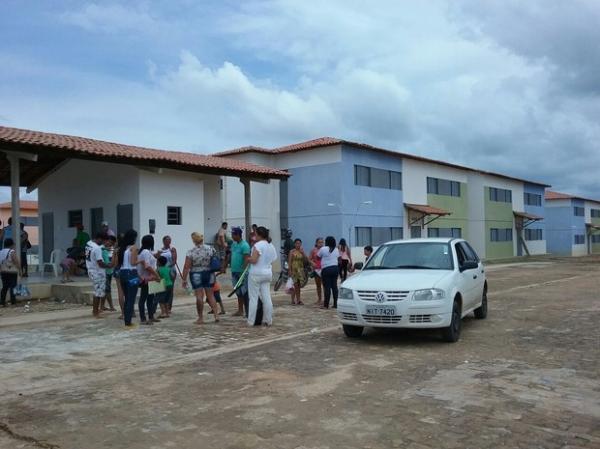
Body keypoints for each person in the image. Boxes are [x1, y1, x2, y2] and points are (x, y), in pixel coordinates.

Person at [181, 232, 220, 324]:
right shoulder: (210, 249)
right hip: (209, 273)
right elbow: (215, 260)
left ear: (194, 240)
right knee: (211, 295)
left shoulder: (191, 251)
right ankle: (216, 315)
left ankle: (201, 318)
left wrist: (184, 279)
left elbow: (186, 266)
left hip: (196, 274)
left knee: (199, 296)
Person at [247, 226, 277, 326]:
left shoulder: (258, 246)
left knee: (253, 298)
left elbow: (254, 260)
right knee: (267, 297)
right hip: (267, 273)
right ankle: (268, 320)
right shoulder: (270, 245)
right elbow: (273, 259)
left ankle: (251, 321)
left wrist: (248, 259)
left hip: (256, 273)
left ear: (258, 235)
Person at [85, 232, 111, 318]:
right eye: (103, 241)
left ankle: (95, 310)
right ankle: (95, 312)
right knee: (98, 293)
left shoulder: (88, 243)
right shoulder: (97, 248)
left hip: (91, 269)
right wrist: (109, 265)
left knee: (97, 291)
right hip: (98, 272)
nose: (103, 243)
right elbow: (100, 263)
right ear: (99, 238)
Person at [118, 229, 140, 328]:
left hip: (122, 273)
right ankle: (128, 322)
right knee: (131, 299)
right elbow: (133, 262)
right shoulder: (134, 248)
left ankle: (126, 319)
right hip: (131, 274)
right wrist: (141, 261)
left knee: (127, 297)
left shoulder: (122, 248)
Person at [137, 235, 160, 325]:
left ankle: (151, 316)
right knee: (144, 298)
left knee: (150, 298)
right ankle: (143, 318)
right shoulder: (145, 252)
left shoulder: (145, 252)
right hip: (146, 278)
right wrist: (156, 275)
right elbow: (147, 266)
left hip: (150, 278)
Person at [228, 227, 250, 317]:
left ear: (237, 235)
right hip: (234, 271)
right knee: (238, 292)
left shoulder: (245, 245)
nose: (232, 236)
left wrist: (243, 272)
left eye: (233, 234)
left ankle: (248, 311)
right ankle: (240, 310)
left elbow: (246, 259)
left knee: (245, 292)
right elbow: (230, 255)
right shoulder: (233, 245)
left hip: (242, 272)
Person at [157, 235, 178, 313]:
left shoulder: (172, 249)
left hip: (170, 270)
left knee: (170, 289)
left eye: (169, 240)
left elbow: (174, 261)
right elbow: (158, 261)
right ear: (163, 241)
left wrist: (167, 267)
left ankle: (169, 307)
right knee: (162, 288)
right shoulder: (160, 250)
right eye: (167, 240)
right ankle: (164, 307)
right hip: (162, 271)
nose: (168, 242)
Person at [318, 236, 340, 309]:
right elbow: (339, 259)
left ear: (326, 242)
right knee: (334, 287)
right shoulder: (336, 249)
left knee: (327, 287)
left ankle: (326, 305)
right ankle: (335, 304)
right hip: (335, 268)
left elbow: (318, 257)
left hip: (326, 269)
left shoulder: (323, 249)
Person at [288, 238, 310, 305]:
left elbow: (306, 260)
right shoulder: (292, 251)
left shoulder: (302, 251)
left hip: (300, 270)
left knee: (299, 285)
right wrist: (289, 270)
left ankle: (298, 300)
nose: (298, 245)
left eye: (299, 243)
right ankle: (292, 300)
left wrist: (303, 253)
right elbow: (289, 261)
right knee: (294, 285)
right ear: (294, 244)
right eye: (297, 243)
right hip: (294, 269)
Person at [0, 238, 21, 306]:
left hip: (3, 271)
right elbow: (16, 261)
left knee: (5, 287)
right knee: (13, 286)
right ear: (11, 244)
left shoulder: (1, 252)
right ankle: (13, 301)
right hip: (12, 272)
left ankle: (2, 301)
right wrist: (20, 270)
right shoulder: (12, 251)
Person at [101, 235, 117, 312]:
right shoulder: (103, 250)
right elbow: (109, 264)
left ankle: (102, 306)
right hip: (106, 272)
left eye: (112, 244)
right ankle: (111, 306)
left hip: (109, 272)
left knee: (106, 289)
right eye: (110, 242)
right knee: (107, 290)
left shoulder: (109, 249)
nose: (110, 245)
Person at [309, 238, 324, 306]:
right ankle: (319, 299)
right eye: (319, 242)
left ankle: (326, 299)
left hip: (324, 269)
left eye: (322, 242)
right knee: (318, 285)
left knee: (325, 285)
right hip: (317, 269)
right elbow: (309, 259)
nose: (320, 244)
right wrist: (312, 263)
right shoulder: (313, 250)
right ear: (316, 243)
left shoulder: (325, 250)